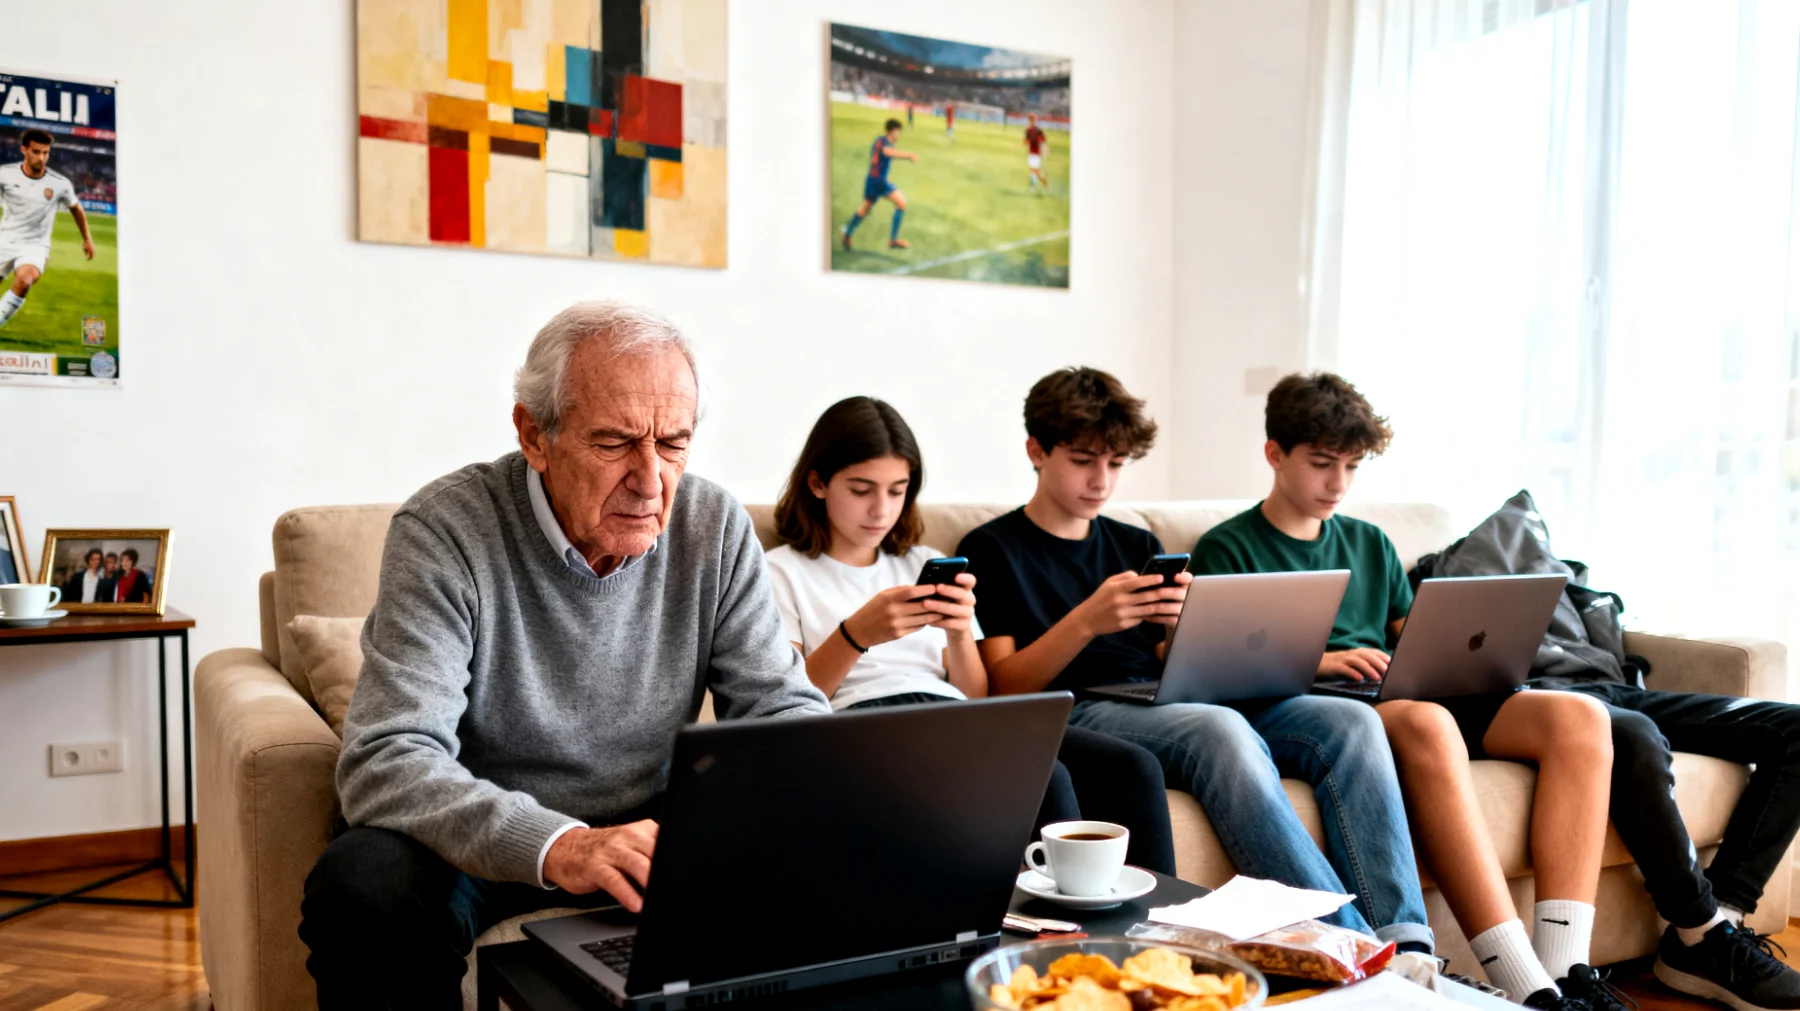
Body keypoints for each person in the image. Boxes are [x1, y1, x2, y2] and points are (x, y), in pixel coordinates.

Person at [298, 301, 833, 1008]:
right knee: (363, 885)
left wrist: (842, 782)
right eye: (614, 443)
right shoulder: (447, 531)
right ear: (534, 434)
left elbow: (777, 706)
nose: (651, 480)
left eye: (672, 442)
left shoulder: (713, 525)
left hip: (651, 826)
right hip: (475, 829)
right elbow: (386, 757)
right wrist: (563, 844)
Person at [957, 367, 1439, 971]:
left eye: (1115, 463)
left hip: (1160, 693)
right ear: (1036, 450)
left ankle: (1410, 941)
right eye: (1083, 460)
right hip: (1081, 705)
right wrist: (1086, 620)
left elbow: (1166, 656)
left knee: (1352, 722)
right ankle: (1348, 944)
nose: (1100, 480)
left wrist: (1197, 629)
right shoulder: (994, 549)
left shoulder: (1132, 543)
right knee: (1220, 730)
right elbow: (1002, 686)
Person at [1193, 374, 1617, 1010]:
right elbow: (1221, 661)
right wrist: (1329, 658)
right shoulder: (1228, 546)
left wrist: (1463, 645)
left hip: (1399, 687)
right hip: (1324, 705)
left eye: (1352, 467)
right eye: (1321, 464)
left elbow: (1409, 634)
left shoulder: (1370, 541)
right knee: (1426, 722)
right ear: (1274, 454)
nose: (1337, 483)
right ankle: (1525, 984)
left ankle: (1569, 974)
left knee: (1580, 718)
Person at [765, 396, 1178, 874]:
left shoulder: (922, 561)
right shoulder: (780, 573)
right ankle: (1058, 936)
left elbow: (976, 695)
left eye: (898, 491)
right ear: (818, 483)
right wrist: (856, 635)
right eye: (862, 490)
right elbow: (792, 702)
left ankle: (1161, 927)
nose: (882, 510)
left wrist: (961, 634)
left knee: (1133, 767)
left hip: (956, 715)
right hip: (866, 721)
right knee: (1048, 778)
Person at [0, 129, 96, 329]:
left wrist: (87, 238)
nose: (41, 158)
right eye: (36, 152)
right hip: (5, 240)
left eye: (45, 153)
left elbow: (76, 208)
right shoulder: (5, 175)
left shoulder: (60, 184)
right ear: (24, 150)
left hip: (35, 246)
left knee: (25, 281)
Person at [842, 119, 918, 252]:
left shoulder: (883, 141)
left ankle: (847, 233)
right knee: (901, 204)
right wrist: (909, 155)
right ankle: (893, 240)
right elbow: (887, 152)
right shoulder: (883, 142)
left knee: (865, 208)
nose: (899, 135)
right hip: (879, 182)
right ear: (892, 131)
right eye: (898, 132)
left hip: (872, 180)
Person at [1024, 114, 1050, 195]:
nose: (1032, 121)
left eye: (1033, 119)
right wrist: (1025, 142)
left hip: (1037, 154)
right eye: (1031, 120)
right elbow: (1026, 140)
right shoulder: (1028, 130)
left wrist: (1045, 151)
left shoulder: (1039, 130)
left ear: (1035, 120)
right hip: (1031, 153)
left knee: (1034, 171)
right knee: (1035, 171)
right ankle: (1043, 184)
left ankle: (1034, 186)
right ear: (1029, 121)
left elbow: (1044, 141)